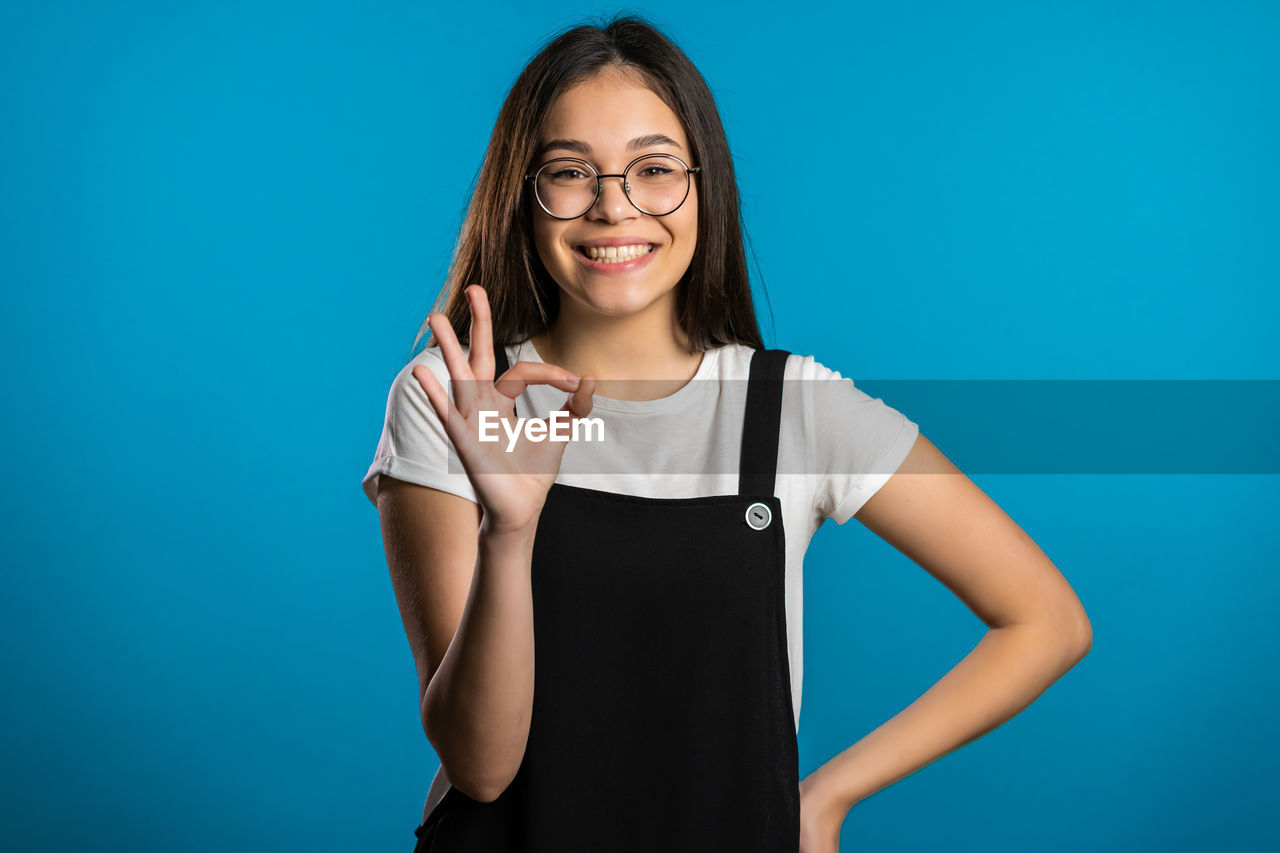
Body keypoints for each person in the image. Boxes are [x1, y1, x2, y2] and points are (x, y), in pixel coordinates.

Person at [362, 14, 1092, 853]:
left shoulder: (797, 411)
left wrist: (825, 796)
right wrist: (510, 530)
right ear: (523, 196)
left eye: (654, 169)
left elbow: (1046, 619)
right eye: (570, 172)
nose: (613, 205)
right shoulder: (454, 399)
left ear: (705, 186)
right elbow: (480, 765)